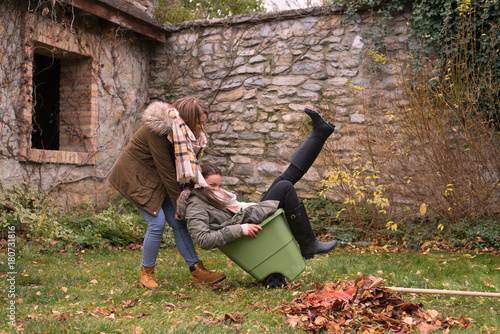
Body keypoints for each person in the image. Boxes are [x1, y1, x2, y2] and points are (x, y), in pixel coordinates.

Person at [177, 107, 338, 260]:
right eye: (212, 185)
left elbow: (233, 207)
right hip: (245, 223)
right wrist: (240, 229)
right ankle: (308, 243)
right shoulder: (195, 204)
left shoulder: (205, 195)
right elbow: (203, 240)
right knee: (284, 186)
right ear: (198, 182)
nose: (217, 189)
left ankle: (319, 132)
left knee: (285, 179)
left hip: (247, 214)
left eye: (219, 185)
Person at [109, 97, 226, 289]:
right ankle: (147, 273)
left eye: (203, 122)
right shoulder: (158, 132)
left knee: (177, 223)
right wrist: (180, 206)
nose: (201, 127)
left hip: (154, 178)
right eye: (198, 122)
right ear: (187, 118)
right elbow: (167, 172)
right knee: (157, 223)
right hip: (134, 178)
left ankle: (197, 271)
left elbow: (182, 168)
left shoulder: (181, 135)